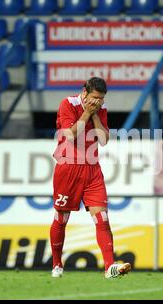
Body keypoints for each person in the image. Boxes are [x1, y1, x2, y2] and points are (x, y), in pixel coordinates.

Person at [50, 77, 131, 279]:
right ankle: (57, 264)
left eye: (101, 99)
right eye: (95, 98)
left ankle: (109, 267)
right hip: (68, 167)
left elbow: (103, 140)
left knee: (102, 218)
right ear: (84, 92)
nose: (98, 102)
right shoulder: (68, 104)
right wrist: (87, 112)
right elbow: (70, 135)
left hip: (92, 169)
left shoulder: (101, 109)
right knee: (61, 218)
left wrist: (94, 114)